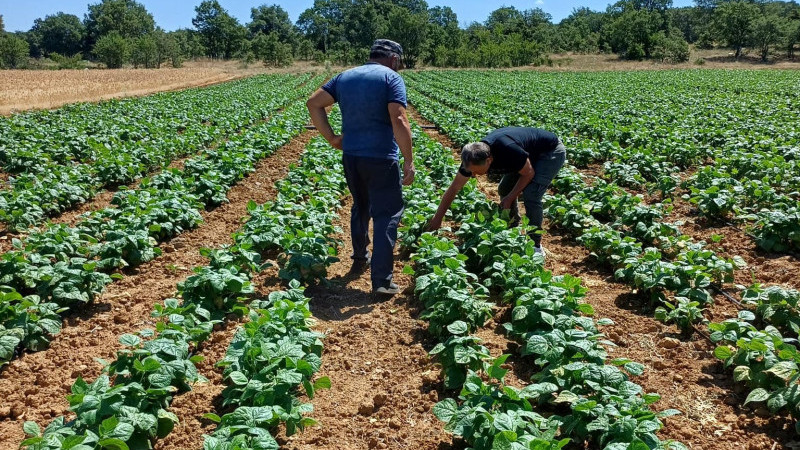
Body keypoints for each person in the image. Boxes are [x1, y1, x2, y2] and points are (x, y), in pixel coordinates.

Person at [306, 39, 414, 295]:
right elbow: (398, 118)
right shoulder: (391, 78)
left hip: (352, 157)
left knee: (361, 204)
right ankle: (382, 282)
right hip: (381, 158)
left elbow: (314, 103)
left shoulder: (344, 77)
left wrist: (332, 138)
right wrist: (409, 159)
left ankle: (359, 256)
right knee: (387, 214)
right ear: (394, 59)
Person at [428, 127, 566, 258]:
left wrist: (510, 198)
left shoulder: (508, 150)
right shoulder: (471, 159)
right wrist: (437, 218)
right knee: (504, 189)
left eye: (476, 172)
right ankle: (512, 226)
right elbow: (453, 188)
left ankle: (535, 246)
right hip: (526, 153)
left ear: (489, 161)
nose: (473, 175)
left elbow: (528, 174)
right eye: (471, 172)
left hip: (550, 151)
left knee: (531, 194)